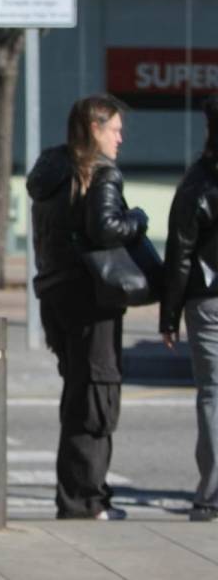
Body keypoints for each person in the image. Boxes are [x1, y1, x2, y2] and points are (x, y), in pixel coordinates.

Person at [27, 94, 145, 520]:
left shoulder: (51, 170)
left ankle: (77, 493)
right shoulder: (99, 172)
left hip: (54, 293)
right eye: (114, 129)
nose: (120, 138)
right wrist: (140, 220)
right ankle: (86, 499)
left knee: (78, 392)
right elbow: (106, 227)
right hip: (91, 297)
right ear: (94, 129)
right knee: (97, 396)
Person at [161, 94, 218, 523]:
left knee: (214, 394)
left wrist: (169, 314)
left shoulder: (199, 181)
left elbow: (180, 252)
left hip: (208, 299)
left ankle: (212, 495)